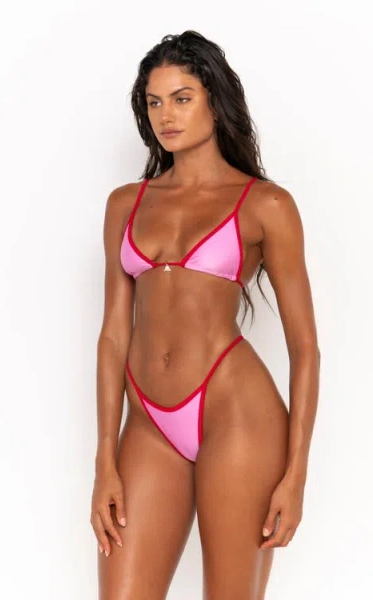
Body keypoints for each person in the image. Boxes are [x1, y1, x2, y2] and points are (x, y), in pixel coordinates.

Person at [91, 30, 320, 600]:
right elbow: (114, 336)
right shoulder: (126, 203)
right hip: (147, 422)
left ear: (215, 101)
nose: (165, 115)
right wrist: (104, 462)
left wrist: (296, 474)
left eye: (182, 98)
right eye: (154, 102)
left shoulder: (266, 204)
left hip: (236, 415)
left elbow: (305, 348)